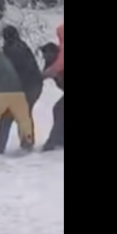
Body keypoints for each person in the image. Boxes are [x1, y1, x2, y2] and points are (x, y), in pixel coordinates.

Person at [0, 25, 44, 154]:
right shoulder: (21, 46)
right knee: (24, 115)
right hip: (34, 85)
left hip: (26, 87)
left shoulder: (12, 50)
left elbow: (11, 72)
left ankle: (0, 148)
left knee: (8, 117)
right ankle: (27, 143)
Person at [41, 23, 64, 151]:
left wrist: (49, 72)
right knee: (59, 109)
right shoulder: (51, 62)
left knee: (60, 109)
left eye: (46, 54)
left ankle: (53, 141)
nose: (44, 57)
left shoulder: (59, 59)